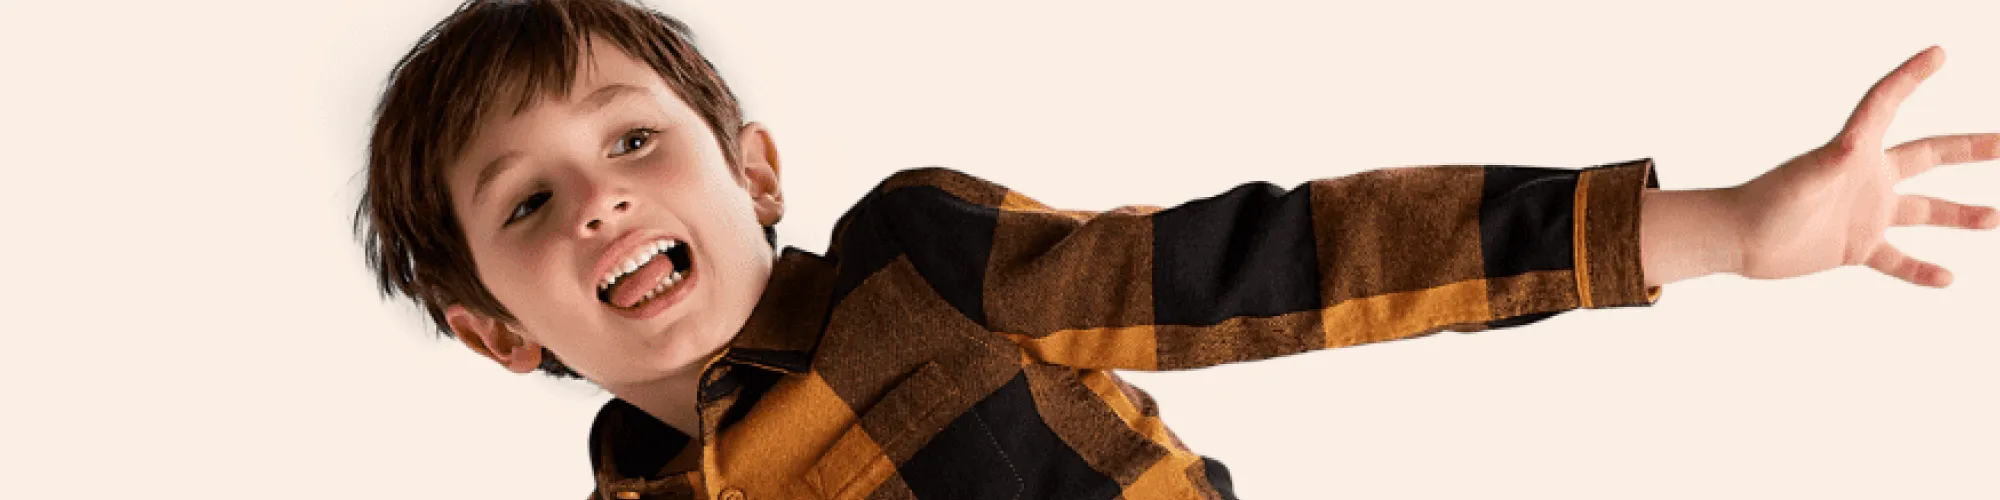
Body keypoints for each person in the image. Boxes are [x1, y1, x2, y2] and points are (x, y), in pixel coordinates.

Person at [351, 1, 1997, 498]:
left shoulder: (916, 273)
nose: (598, 203)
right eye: (525, 205)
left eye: (632, 141)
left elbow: (1283, 265)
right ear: (497, 328)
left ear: (754, 169)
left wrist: (1714, 228)